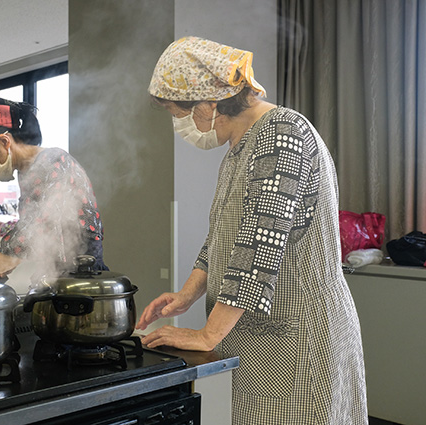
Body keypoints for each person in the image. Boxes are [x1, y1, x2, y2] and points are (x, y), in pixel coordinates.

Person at [136, 37, 368, 424]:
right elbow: (224, 236)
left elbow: (259, 244)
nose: (181, 126)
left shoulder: (282, 133)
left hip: (298, 336)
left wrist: (208, 335)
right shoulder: (242, 145)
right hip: (259, 336)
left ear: (210, 103)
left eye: (180, 114)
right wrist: (187, 295)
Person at [0, 96, 107, 281]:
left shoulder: (54, 162)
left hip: (81, 281)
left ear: (4, 142)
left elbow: (26, 239)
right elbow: (37, 236)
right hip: (57, 278)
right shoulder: (27, 171)